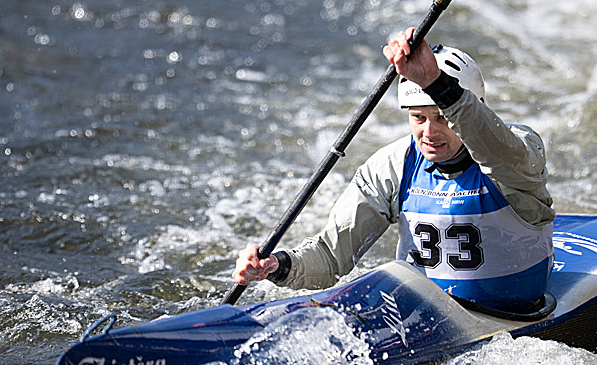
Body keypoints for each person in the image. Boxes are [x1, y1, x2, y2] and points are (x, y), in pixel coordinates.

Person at [232, 27, 555, 311]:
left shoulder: (518, 150)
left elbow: (495, 148)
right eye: (418, 117)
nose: (429, 132)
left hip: (516, 312)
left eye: (442, 117)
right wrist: (276, 266)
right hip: (424, 316)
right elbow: (332, 258)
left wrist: (436, 83)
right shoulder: (393, 164)